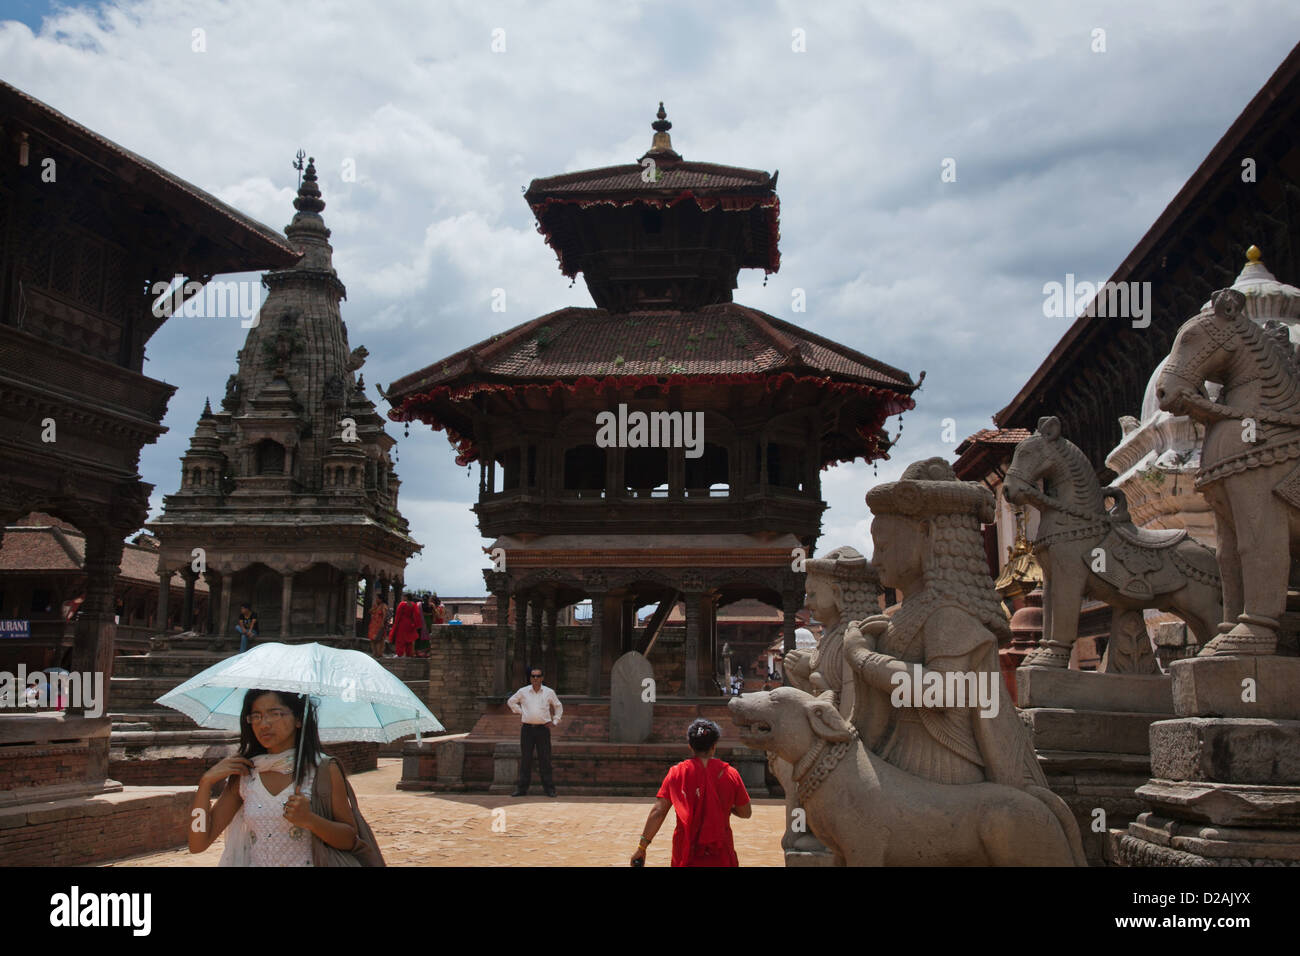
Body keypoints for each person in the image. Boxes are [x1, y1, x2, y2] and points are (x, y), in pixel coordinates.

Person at [188, 688, 362, 866]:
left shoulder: (323, 770)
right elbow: (198, 842)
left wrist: (310, 820)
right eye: (256, 716)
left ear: (298, 719)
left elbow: (349, 838)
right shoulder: (246, 774)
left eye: (275, 714)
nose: (263, 724)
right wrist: (205, 783)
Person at [631, 718, 751, 867]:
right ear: (714, 746)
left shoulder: (677, 773)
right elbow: (746, 812)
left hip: (686, 852)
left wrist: (642, 848)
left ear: (690, 746)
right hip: (721, 853)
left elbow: (658, 812)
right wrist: (726, 807)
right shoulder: (730, 774)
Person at [507, 667, 562, 797]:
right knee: (526, 759)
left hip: (543, 729)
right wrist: (521, 712)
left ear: (542, 678)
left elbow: (558, 706)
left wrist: (555, 721)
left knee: (545, 759)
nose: (535, 679)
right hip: (527, 729)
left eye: (538, 676)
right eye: (533, 676)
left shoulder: (549, 692)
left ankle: (549, 789)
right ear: (530, 678)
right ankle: (522, 789)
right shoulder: (523, 691)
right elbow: (511, 702)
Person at [390, 593, 421, 658]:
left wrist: (395, 624)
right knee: (409, 640)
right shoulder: (413, 605)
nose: (403, 597)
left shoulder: (402, 604)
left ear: (406, 597)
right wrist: (415, 625)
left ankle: (399, 654)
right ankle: (409, 654)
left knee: (400, 639)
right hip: (410, 624)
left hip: (402, 623)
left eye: (404, 596)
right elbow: (416, 615)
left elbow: (398, 615)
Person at [367, 593, 389, 659]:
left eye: (377, 598)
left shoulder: (384, 606)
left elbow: (385, 615)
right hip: (373, 625)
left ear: (381, 599)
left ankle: (379, 654)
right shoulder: (376, 606)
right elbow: (370, 611)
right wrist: (375, 607)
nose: (376, 600)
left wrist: (382, 623)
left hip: (380, 625)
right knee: (372, 639)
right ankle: (374, 653)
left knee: (379, 640)